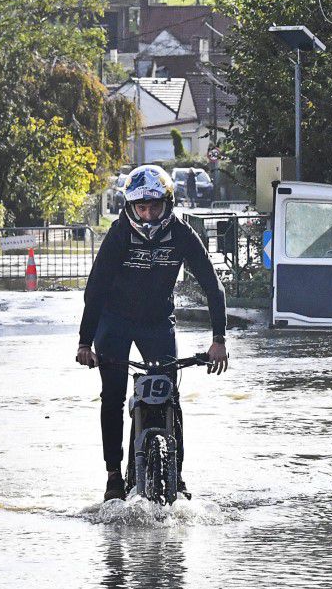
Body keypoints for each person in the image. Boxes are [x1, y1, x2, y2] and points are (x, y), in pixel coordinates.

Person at [75, 165, 229, 501]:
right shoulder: (118, 236)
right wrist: (85, 342)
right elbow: (95, 291)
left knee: (169, 394)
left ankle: (178, 473)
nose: (147, 216)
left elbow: (211, 285)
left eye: (154, 207)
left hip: (157, 322)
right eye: (141, 208)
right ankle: (113, 474)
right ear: (130, 207)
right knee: (112, 396)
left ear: (167, 204)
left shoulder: (182, 234)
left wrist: (219, 339)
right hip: (113, 322)